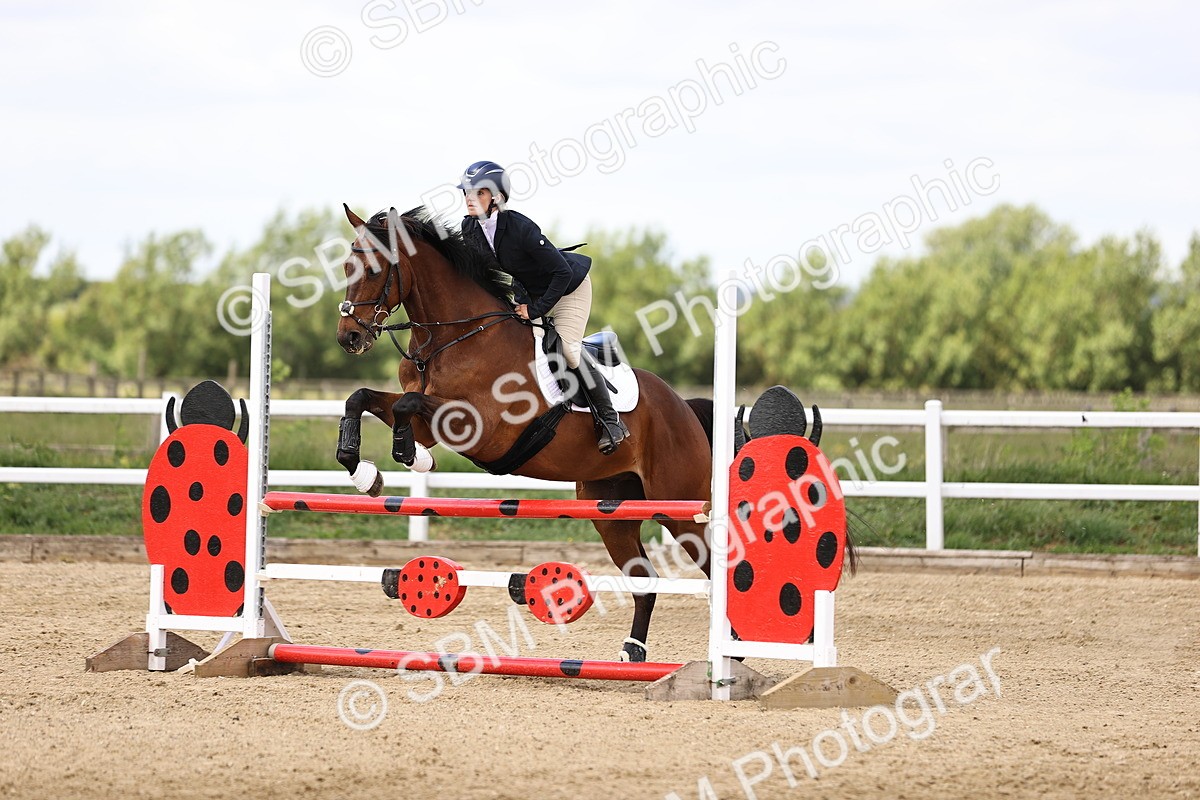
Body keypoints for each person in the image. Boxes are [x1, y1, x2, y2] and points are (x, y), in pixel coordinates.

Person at [457, 160, 628, 455]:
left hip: (568, 289)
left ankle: (611, 421)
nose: (470, 198)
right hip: (530, 293)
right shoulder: (469, 227)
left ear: (497, 197)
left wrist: (535, 310)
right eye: (467, 192)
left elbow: (561, 272)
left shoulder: (520, 227)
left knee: (568, 349)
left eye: (479, 192)